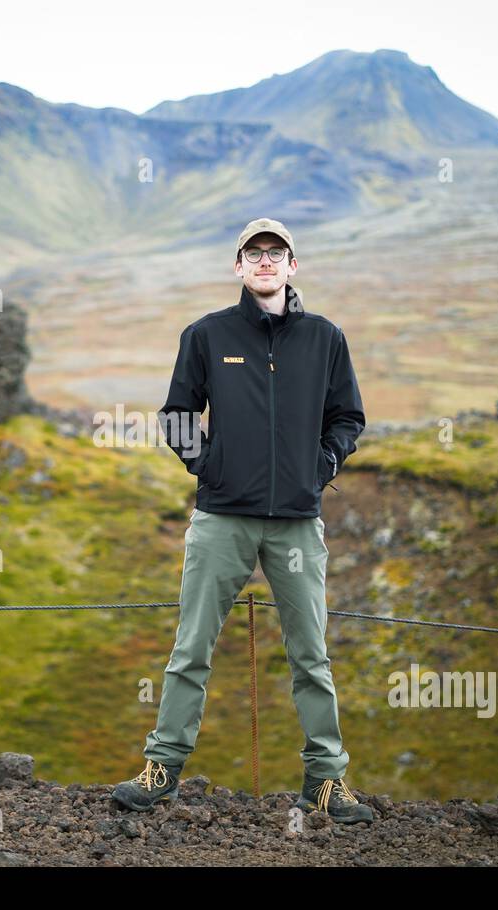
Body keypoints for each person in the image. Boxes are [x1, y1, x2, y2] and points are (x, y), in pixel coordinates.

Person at [111, 217, 373, 824]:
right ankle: (161, 770)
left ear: (292, 266)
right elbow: (177, 413)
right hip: (222, 518)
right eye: (253, 254)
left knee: (311, 655)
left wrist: (322, 464)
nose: (264, 262)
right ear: (238, 266)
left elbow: (348, 417)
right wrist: (211, 468)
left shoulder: (325, 338)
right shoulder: (206, 335)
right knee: (191, 648)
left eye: (275, 253)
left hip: (297, 524)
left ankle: (326, 782)